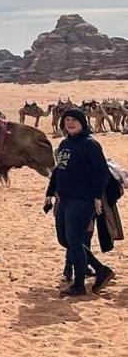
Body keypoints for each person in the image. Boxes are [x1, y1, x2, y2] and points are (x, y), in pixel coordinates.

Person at [44, 107, 115, 297]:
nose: (70, 123)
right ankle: (100, 269)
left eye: (74, 120)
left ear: (82, 122)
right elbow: (58, 171)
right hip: (64, 199)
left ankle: (79, 285)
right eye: (67, 120)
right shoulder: (64, 145)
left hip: (82, 200)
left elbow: (102, 173)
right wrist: (49, 193)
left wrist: (97, 196)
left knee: (75, 240)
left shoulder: (90, 145)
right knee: (65, 239)